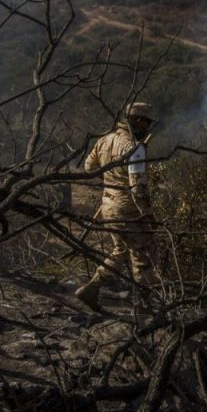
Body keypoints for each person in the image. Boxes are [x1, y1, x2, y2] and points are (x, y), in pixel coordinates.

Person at [75, 102, 158, 312]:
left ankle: (90, 289)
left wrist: (111, 178)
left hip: (108, 206)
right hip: (127, 210)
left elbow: (89, 167)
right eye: (146, 123)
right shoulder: (134, 148)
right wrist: (148, 214)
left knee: (120, 250)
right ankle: (143, 306)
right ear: (138, 120)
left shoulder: (104, 140)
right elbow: (137, 187)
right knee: (143, 255)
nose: (148, 128)